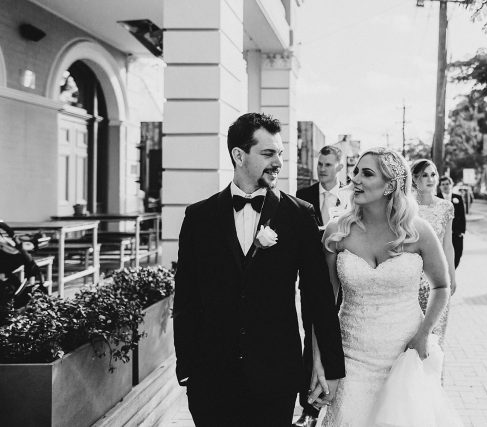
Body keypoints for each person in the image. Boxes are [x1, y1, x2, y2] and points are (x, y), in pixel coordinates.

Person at [173, 112, 345, 426]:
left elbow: (318, 298)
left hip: (275, 375)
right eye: (268, 154)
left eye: (280, 153)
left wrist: (326, 367)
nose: (278, 162)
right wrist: (186, 367)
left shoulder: (298, 216)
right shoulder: (199, 218)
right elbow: (186, 299)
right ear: (239, 155)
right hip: (210, 377)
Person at [311, 148, 451, 426]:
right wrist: (319, 360)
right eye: (355, 172)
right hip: (351, 359)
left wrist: (424, 333)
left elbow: (442, 286)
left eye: (367, 173)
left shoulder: (419, 232)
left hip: (404, 358)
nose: (355, 180)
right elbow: (323, 304)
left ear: (390, 185)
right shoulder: (337, 232)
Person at [294, 145, 350, 427]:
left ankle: (337, 393)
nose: (322, 168)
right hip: (313, 280)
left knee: (341, 334)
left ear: (339, 167)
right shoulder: (303, 197)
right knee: (312, 335)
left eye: (328, 164)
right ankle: (309, 407)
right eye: (320, 163)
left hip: (347, 276)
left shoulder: (352, 196)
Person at [411, 159, 457, 347]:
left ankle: (436, 377)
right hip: (412, 281)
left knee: (436, 339)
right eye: (424, 175)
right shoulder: (407, 208)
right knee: (413, 337)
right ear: (414, 179)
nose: (430, 179)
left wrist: (451, 276)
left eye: (433, 174)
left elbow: (448, 245)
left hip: (437, 281)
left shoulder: (446, 207)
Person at [437, 176, 466, 268]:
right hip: (441, 235)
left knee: (457, 255)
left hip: (456, 234)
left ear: (451, 185)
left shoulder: (458, 198)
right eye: (443, 184)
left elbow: (462, 216)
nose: (445, 186)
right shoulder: (436, 198)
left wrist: (461, 232)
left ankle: (452, 273)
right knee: (442, 257)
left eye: (447, 184)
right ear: (440, 186)